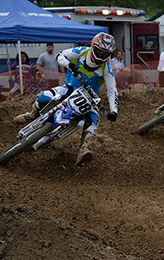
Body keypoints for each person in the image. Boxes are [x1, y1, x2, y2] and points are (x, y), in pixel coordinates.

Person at [13, 32, 118, 166]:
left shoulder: (107, 69)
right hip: (70, 88)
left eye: (105, 54)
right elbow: (61, 55)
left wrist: (114, 111)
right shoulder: (81, 52)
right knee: (43, 96)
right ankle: (32, 115)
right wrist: (69, 65)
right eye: (99, 51)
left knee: (94, 119)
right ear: (93, 47)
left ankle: (85, 148)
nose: (101, 56)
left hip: (89, 97)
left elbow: (112, 90)